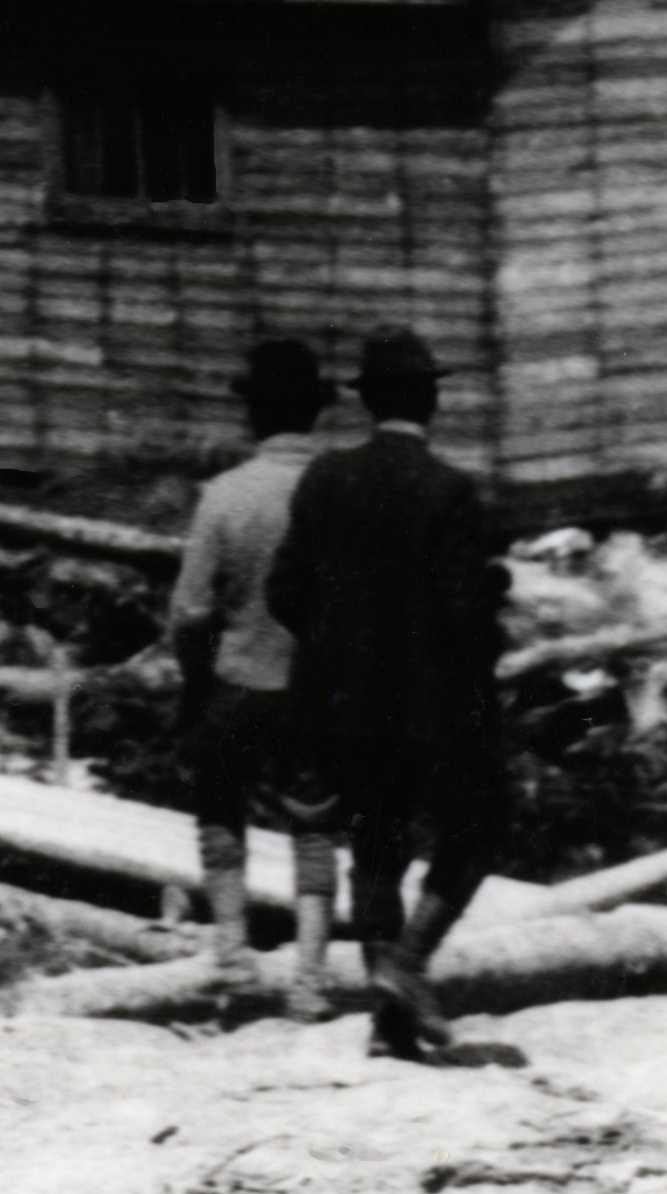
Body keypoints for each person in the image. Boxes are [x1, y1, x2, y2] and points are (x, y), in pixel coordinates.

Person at [269, 324, 508, 1062]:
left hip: (336, 703)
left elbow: (285, 590)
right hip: (425, 703)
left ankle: (390, 1023)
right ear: (430, 401)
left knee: (375, 843)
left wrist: (338, 649)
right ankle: (408, 963)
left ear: (369, 404)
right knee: (482, 823)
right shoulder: (449, 490)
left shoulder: (324, 479)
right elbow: (465, 613)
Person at [162, 334, 348, 1014]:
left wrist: (195, 682)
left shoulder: (225, 496)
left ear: (253, 417)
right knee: (317, 824)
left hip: (238, 677)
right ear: (317, 416)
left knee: (220, 811)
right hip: (316, 686)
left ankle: (235, 963)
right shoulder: (343, 494)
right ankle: (309, 979)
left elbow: (190, 610)